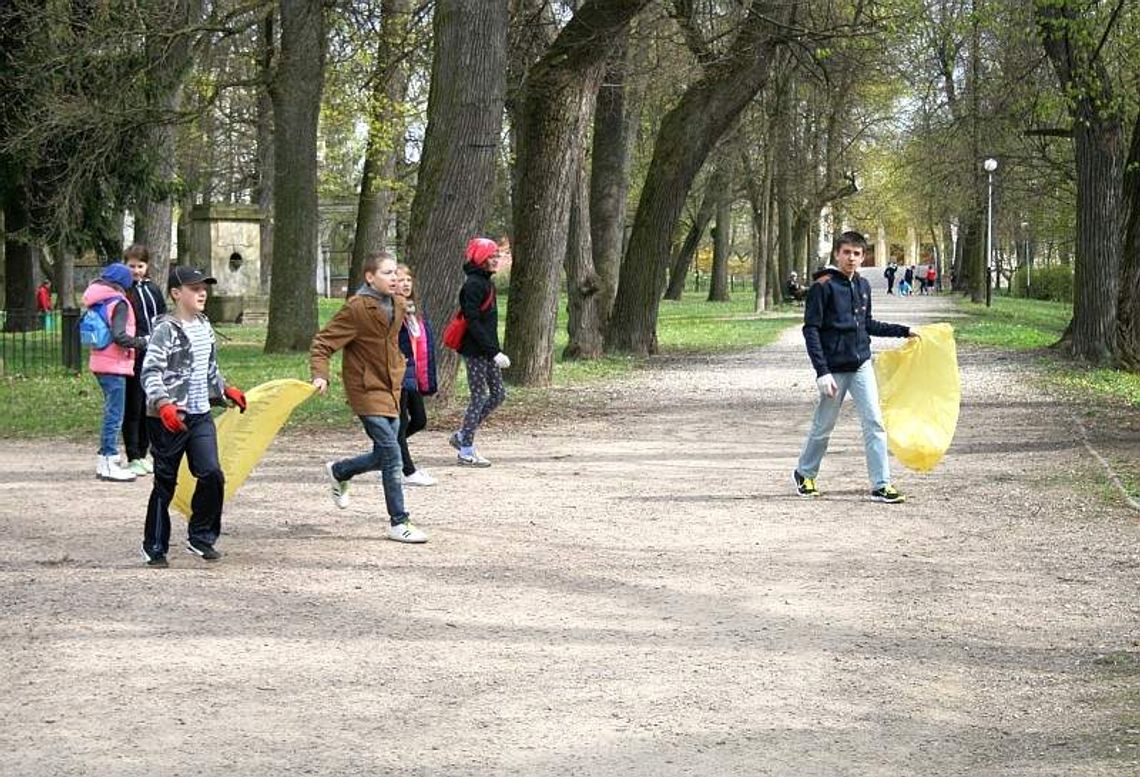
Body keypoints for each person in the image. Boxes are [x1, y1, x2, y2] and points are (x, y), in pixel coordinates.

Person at [310, 251, 428, 544]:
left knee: (384, 454)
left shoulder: (398, 304)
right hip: (365, 390)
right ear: (370, 277)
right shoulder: (356, 308)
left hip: (391, 388)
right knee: (392, 454)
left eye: (395, 272)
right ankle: (399, 522)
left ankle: (340, 471)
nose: (394, 278)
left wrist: (400, 365)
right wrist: (320, 375)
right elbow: (323, 343)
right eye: (387, 273)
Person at [792, 230, 916, 504]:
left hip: (861, 365)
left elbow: (867, 324)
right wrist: (822, 372)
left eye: (856, 254)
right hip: (833, 369)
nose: (851, 258)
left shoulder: (863, 285)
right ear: (837, 254)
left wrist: (904, 331)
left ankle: (881, 484)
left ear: (863, 257)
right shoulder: (822, 286)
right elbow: (811, 330)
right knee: (823, 426)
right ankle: (805, 473)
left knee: (875, 423)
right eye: (846, 252)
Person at [140, 266, 246, 566]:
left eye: (204, 288)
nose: (202, 293)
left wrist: (225, 389)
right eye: (195, 288)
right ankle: (154, 546)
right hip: (168, 419)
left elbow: (209, 369)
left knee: (212, 474)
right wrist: (163, 404)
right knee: (165, 483)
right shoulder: (165, 330)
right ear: (176, 293)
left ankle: (200, 536)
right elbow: (150, 372)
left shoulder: (204, 325)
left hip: (200, 415)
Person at [83, 263, 148, 483]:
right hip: (114, 364)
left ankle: (105, 461)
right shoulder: (118, 302)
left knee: (112, 411)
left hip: (99, 361)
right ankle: (109, 460)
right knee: (114, 414)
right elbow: (120, 336)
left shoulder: (98, 300)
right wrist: (142, 342)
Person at [450, 237, 510, 467]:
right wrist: (493, 352)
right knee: (478, 396)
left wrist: (494, 351)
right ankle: (466, 450)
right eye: (491, 256)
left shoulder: (486, 282)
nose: (495, 260)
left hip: (488, 351)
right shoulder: (474, 285)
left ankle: (461, 435)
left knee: (498, 394)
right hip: (476, 351)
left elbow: (486, 323)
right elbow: (473, 322)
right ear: (480, 258)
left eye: (497, 256)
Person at [121, 244, 167, 476]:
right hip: (134, 354)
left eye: (140, 266)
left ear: (147, 266)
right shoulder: (123, 291)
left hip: (154, 353)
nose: (136, 271)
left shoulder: (153, 289)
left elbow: (162, 315)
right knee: (134, 404)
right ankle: (133, 454)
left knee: (149, 405)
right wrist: (139, 341)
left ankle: (143, 451)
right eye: (132, 266)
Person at [394, 263, 438, 487]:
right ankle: (407, 470)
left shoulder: (414, 311)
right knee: (401, 423)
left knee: (419, 420)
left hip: (413, 374)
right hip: (398, 373)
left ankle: (386, 452)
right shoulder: (391, 310)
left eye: (408, 280)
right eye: (400, 280)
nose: (406, 284)